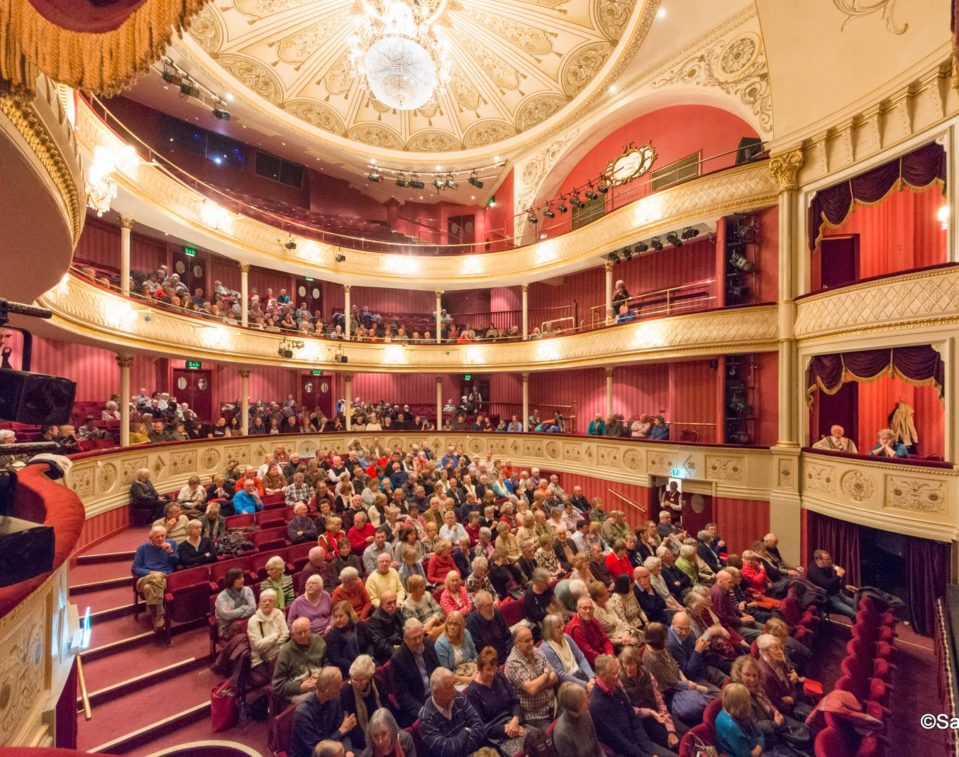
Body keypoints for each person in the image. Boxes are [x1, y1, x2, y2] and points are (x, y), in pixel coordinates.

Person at [588, 654, 675, 757]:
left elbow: (634, 721)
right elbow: (617, 740)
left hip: (637, 743)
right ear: (602, 675)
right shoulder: (596, 704)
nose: (618, 676)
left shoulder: (616, 688)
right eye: (614, 673)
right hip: (623, 752)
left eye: (618, 671)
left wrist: (652, 752)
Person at [642, 622, 713, 725]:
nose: (668, 640)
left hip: (680, 681)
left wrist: (686, 681)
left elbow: (675, 665)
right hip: (670, 692)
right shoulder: (653, 659)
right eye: (665, 638)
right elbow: (672, 683)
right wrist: (696, 687)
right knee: (698, 705)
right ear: (657, 641)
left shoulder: (661, 647)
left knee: (709, 697)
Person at [465, 646, 526, 755]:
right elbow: (481, 726)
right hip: (496, 734)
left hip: (513, 722)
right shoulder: (472, 692)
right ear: (479, 668)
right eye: (488, 669)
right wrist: (507, 729)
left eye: (494, 668)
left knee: (536, 739)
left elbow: (515, 701)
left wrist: (515, 720)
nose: (492, 673)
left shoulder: (500, 677)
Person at [619, 645, 679, 752]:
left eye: (631, 663)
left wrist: (670, 729)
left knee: (684, 733)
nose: (628, 668)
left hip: (658, 713)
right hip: (643, 722)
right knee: (675, 745)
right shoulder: (621, 682)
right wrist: (650, 712)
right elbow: (630, 710)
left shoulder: (647, 674)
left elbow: (659, 702)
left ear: (637, 662)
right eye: (625, 664)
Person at [418, 667, 487, 757]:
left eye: (453, 684)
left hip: (474, 752)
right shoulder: (426, 719)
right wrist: (465, 731)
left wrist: (464, 749)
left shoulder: (458, 697)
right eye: (449, 687)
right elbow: (447, 750)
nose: (454, 690)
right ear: (436, 692)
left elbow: (479, 725)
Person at [289, 667, 356, 757]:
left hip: (334, 749)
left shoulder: (335, 698)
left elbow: (344, 729)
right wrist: (341, 731)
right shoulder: (303, 714)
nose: (341, 687)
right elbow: (317, 750)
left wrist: (348, 751)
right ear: (327, 690)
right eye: (337, 686)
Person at [504, 625, 556, 729]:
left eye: (531, 639)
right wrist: (546, 675)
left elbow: (555, 677)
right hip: (535, 715)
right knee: (553, 736)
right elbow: (532, 689)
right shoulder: (513, 663)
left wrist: (538, 685)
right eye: (526, 641)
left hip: (552, 704)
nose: (531, 643)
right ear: (517, 643)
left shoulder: (537, 651)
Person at [390, 618, 440, 727]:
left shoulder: (429, 644)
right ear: (406, 640)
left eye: (420, 636)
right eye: (414, 639)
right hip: (418, 703)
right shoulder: (398, 659)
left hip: (436, 695)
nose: (418, 641)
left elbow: (438, 671)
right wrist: (423, 711)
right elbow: (402, 696)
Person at [273, 617, 328, 708]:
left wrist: (322, 676)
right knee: (318, 698)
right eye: (299, 633)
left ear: (310, 630)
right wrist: (300, 687)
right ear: (293, 635)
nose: (303, 635)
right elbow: (277, 686)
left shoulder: (318, 641)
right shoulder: (286, 652)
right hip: (298, 691)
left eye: (305, 631)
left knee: (335, 689)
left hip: (319, 682)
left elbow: (327, 662)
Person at [131, 526, 178, 630]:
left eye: (163, 536)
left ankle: (156, 617)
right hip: (145, 578)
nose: (161, 539)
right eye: (157, 537)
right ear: (150, 538)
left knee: (148, 588)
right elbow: (135, 569)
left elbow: (177, 564)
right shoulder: (143, 548)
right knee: (156, 577)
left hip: (165, 578)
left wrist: (170, 552)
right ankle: (160, 614)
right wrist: (151, 573)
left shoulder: (172, 544)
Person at [756, 634, 809, 719]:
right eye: (775, 648)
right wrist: (792, 698)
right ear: (765, 651)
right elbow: (777, 701)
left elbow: (788, 679)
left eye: (779, 647)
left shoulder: (777, 658)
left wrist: (793, 695)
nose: (780, 651)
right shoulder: (765, 674)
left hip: (792, 693)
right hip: (787, 708)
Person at [340, 656, 386, 751]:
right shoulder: (346, 691)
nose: (357, 683)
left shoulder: (378, 682)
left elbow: (385, 709)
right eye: (355, 679)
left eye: (362, 680)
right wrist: (371, 741)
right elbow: (352, 725)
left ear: (369, 677)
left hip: (381, 726)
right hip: (361, 737)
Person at [540, 613, 594, 687]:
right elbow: (560, 674)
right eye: (558, 627)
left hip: (581, 674)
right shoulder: (546, 648)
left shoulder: (566, 637)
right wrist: (585, 685)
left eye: (562, 625)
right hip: (568, 685)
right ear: (550, 630)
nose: (562, 628)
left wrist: (591, 677)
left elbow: (581, 657)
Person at [714, 683, 766, 757]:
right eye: (747, 701)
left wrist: (759, 746)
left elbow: (760, 733)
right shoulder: (731, 727)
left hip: (755, 746)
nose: (749, 704)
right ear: (739, 705)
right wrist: (760, 745)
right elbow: (746, 755)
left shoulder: (739, 713)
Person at [326, 601, 375, 677]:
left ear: (349, 615)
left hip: (365, 661)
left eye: (341, 616)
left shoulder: (360, 625)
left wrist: (369, 658)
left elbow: (370, 643)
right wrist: (357, 666)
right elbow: (337, 659)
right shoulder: (331, 635)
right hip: (346, 669)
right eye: (335, 617)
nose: (337, 620)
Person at [806, 549, 858, 620]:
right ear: (819, 560)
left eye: (830, 558)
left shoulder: (826, 566)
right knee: (853, 613)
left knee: (858, 605)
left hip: (836, 594)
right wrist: (839, 576)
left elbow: (832, 582)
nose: (830, 561)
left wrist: (844, 586)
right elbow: (827, 584)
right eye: (827, 559)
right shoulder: (814, 570)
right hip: (827, 598)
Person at [248, 589, 290, 673]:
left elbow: (286, 633)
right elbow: (258, 645)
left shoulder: (279, 614)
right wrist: (275, 635)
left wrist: (273, 644)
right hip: (261, 659)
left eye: (270, 601)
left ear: (274, 603)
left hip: (279, 651)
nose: (267, 603)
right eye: (264, 601)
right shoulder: (253, 620)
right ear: (259, 604)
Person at [565, 596, 613, 666]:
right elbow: (588, 653)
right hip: (589, 663)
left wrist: (610, 654)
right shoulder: (575, 627)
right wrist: (607, 660)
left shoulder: (593, 620)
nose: (588, 611)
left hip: (602, 656)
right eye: (585, 608)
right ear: (577, 609)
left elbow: (605, 640)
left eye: (590, 608)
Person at [467, 591, 512, 662]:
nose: (492, 608)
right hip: (491, 660)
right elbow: (479, 650)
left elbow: (507, 635)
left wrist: (509, 655)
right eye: (488, 606)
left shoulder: (496, 613)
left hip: (506, 654)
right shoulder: (472, 622)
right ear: (479, 608)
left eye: (492, 604)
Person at [214, 567, 256, 640]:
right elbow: (227, 615)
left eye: (242, 577)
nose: (243, 579)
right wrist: (244, 608)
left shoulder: (248, 590)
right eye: (239, 578)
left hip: (247, 624)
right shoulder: (222, 597)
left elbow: (253, 609)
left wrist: (238, 618)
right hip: (227, 630)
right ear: (231, 581)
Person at [367, 590, 406, 663]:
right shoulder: (375, 620)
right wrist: (399, 652)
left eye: (394, 601)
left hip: (401, 645)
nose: (393, 605)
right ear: (381, 604)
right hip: (387, 653)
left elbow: (404, 628)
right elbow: (380, 644)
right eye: (389, 603)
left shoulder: (396, 610)